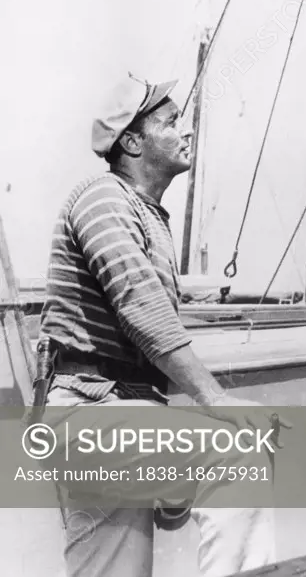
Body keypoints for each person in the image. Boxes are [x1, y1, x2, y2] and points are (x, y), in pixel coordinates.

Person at [37, 74, 277, 576]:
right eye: (171, 123)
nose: (186, 132)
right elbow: (141, 308)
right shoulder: (102, 197)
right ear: (132, 141)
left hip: (111, 409)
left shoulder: (146, 214)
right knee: (238, 451)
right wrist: (217, 401)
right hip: (89, 410)